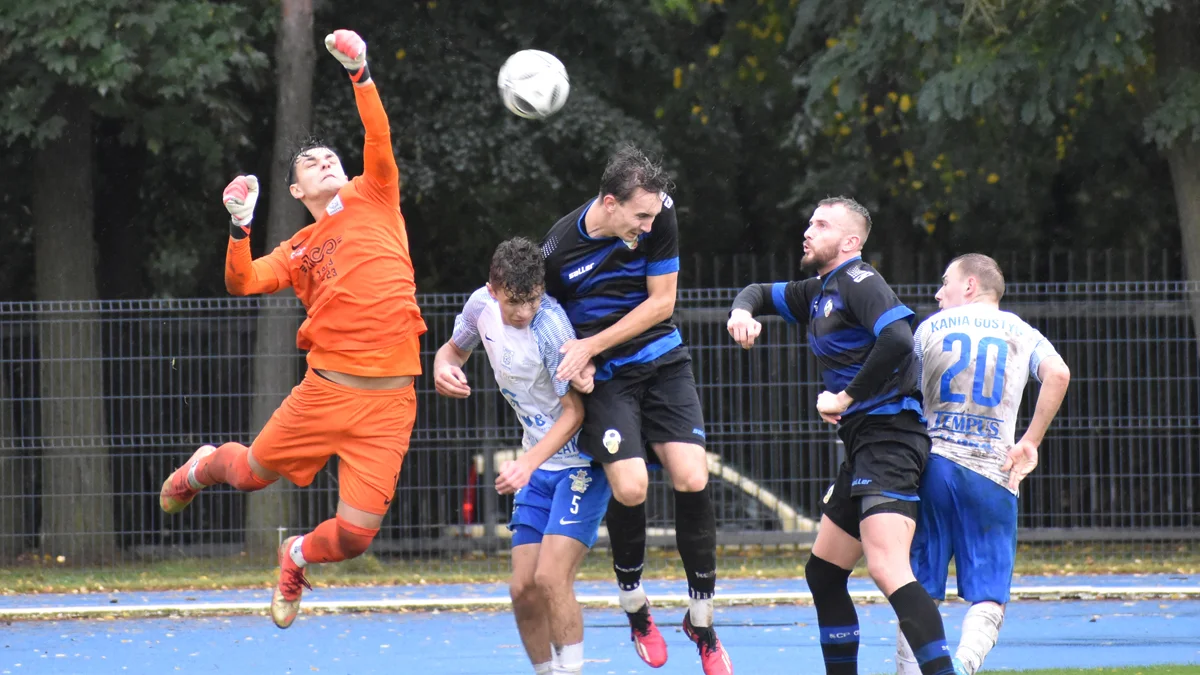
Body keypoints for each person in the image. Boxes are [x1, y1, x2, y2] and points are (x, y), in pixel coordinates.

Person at [158, 29, 426, 629]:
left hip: (390, 406)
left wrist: (361, 73)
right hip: (325, 393)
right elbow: (243, 282)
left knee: (355, 539)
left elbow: (377, 138)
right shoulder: (298, 247)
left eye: (331, 157)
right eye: (311, 162)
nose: (326, 162)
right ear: (296, 190)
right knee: (248, 475)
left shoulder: (376, 194)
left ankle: (296, 555)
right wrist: (239, 227)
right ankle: (200, 467)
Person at [727, 196, 963, 675]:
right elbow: (757, 291)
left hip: (890, 440)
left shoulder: (859, 280)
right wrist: (740, 312)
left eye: (822, 224)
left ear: (851, 241)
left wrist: (846, 397)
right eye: (810, 222)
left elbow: (898, 338)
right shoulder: (819, 291)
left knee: (887, 568)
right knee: (824, 572)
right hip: (865, 445)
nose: (808, 231)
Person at [541, 144, 733, 675]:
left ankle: (702, 621)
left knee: (692, 477)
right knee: (630, 488)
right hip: (608, 381)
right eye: (639, 217)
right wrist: (573, 363)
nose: (648, 226)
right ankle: (634, 604)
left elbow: (662, 302)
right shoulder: (558, 249)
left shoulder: (661, 212)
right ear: (610, 203)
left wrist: (590, 344)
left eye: (652, 216)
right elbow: (544, 319)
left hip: (663, 361)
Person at [432, 237, 610, 675]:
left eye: (532, 299)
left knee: (550, 578)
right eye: (514, 302)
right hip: (536, 464)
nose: (524, 311)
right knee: (522, 590)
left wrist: (526, 465)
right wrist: (442, 369)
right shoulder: (480, 308)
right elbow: (453, 350)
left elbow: (575, 413)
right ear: (493, 290)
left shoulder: (550, 328)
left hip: (579, 466)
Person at [895, 254, 1071, 675]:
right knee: (990, 594)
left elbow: (903, 388)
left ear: (970, 285)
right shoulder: (1023, 332)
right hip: (994, 470)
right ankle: (963, 666)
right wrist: (1030, 441)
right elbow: (1059, 374)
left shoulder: (929, 328)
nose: (938, 294)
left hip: (933, 466)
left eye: (946, 283)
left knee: (917, 586)